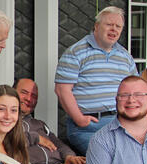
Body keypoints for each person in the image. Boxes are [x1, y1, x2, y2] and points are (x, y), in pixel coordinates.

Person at [55, 6, 137, 155]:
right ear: (96, 26)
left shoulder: (125, 56)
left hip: (121, 123)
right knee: (111, 159)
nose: (114, 29)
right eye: (109, 24)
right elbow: (62, 90)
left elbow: (135, 89)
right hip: (89, 127)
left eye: (118, 26)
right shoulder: (76, 52)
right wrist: (80, 120)